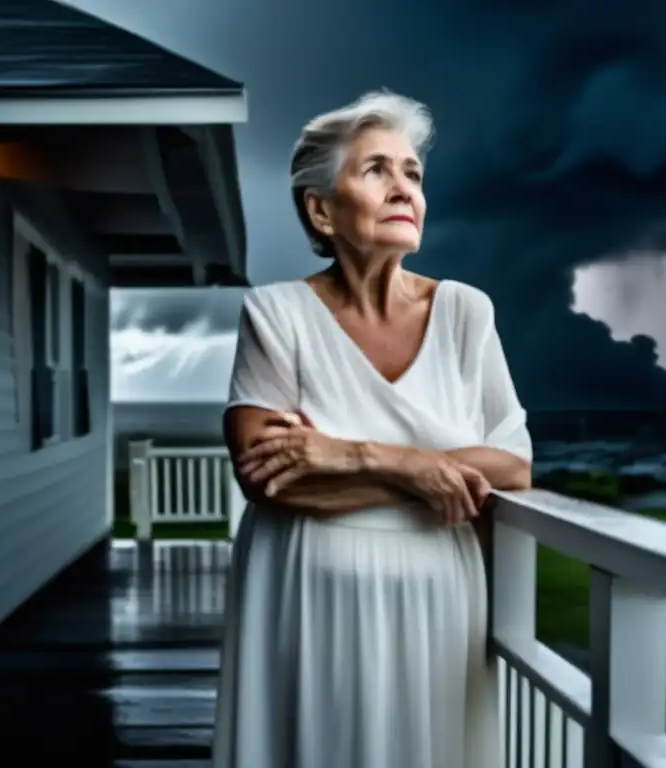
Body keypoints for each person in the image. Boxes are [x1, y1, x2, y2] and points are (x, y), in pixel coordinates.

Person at [211, 90, 533, 768]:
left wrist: (341, 456)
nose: (402, 189)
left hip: (440, 600)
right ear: (321, 210)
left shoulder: (466, 312)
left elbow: (512, 464)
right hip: (304, 596)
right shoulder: (276, 313)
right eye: (375, 170)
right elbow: (267, 480)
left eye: (412, 173)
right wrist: (414, 468)